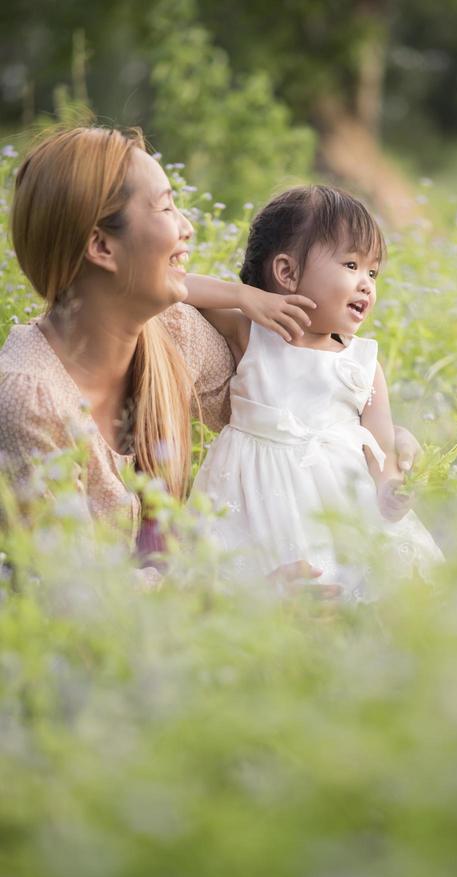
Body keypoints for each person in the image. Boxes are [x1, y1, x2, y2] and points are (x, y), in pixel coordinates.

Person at [0, 126, 420, 592]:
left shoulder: (172, 333)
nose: (187, 226)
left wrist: (385, 437)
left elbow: (285, 405)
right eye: (164, 207)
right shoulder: (29, 398)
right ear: (101, 246)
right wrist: (240, 602)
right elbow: (69, 595)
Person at [189, 186, 443, 597]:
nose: (367, 285)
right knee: (252, 593)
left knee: (356, 596)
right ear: (287, 273)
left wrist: (389, 489)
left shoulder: (363, 364)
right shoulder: (252, 333)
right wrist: (242, 296)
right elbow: (172, 287)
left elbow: (381, 452)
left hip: (338, 504)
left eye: (373, 273)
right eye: (351, 264)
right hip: (256, 501)